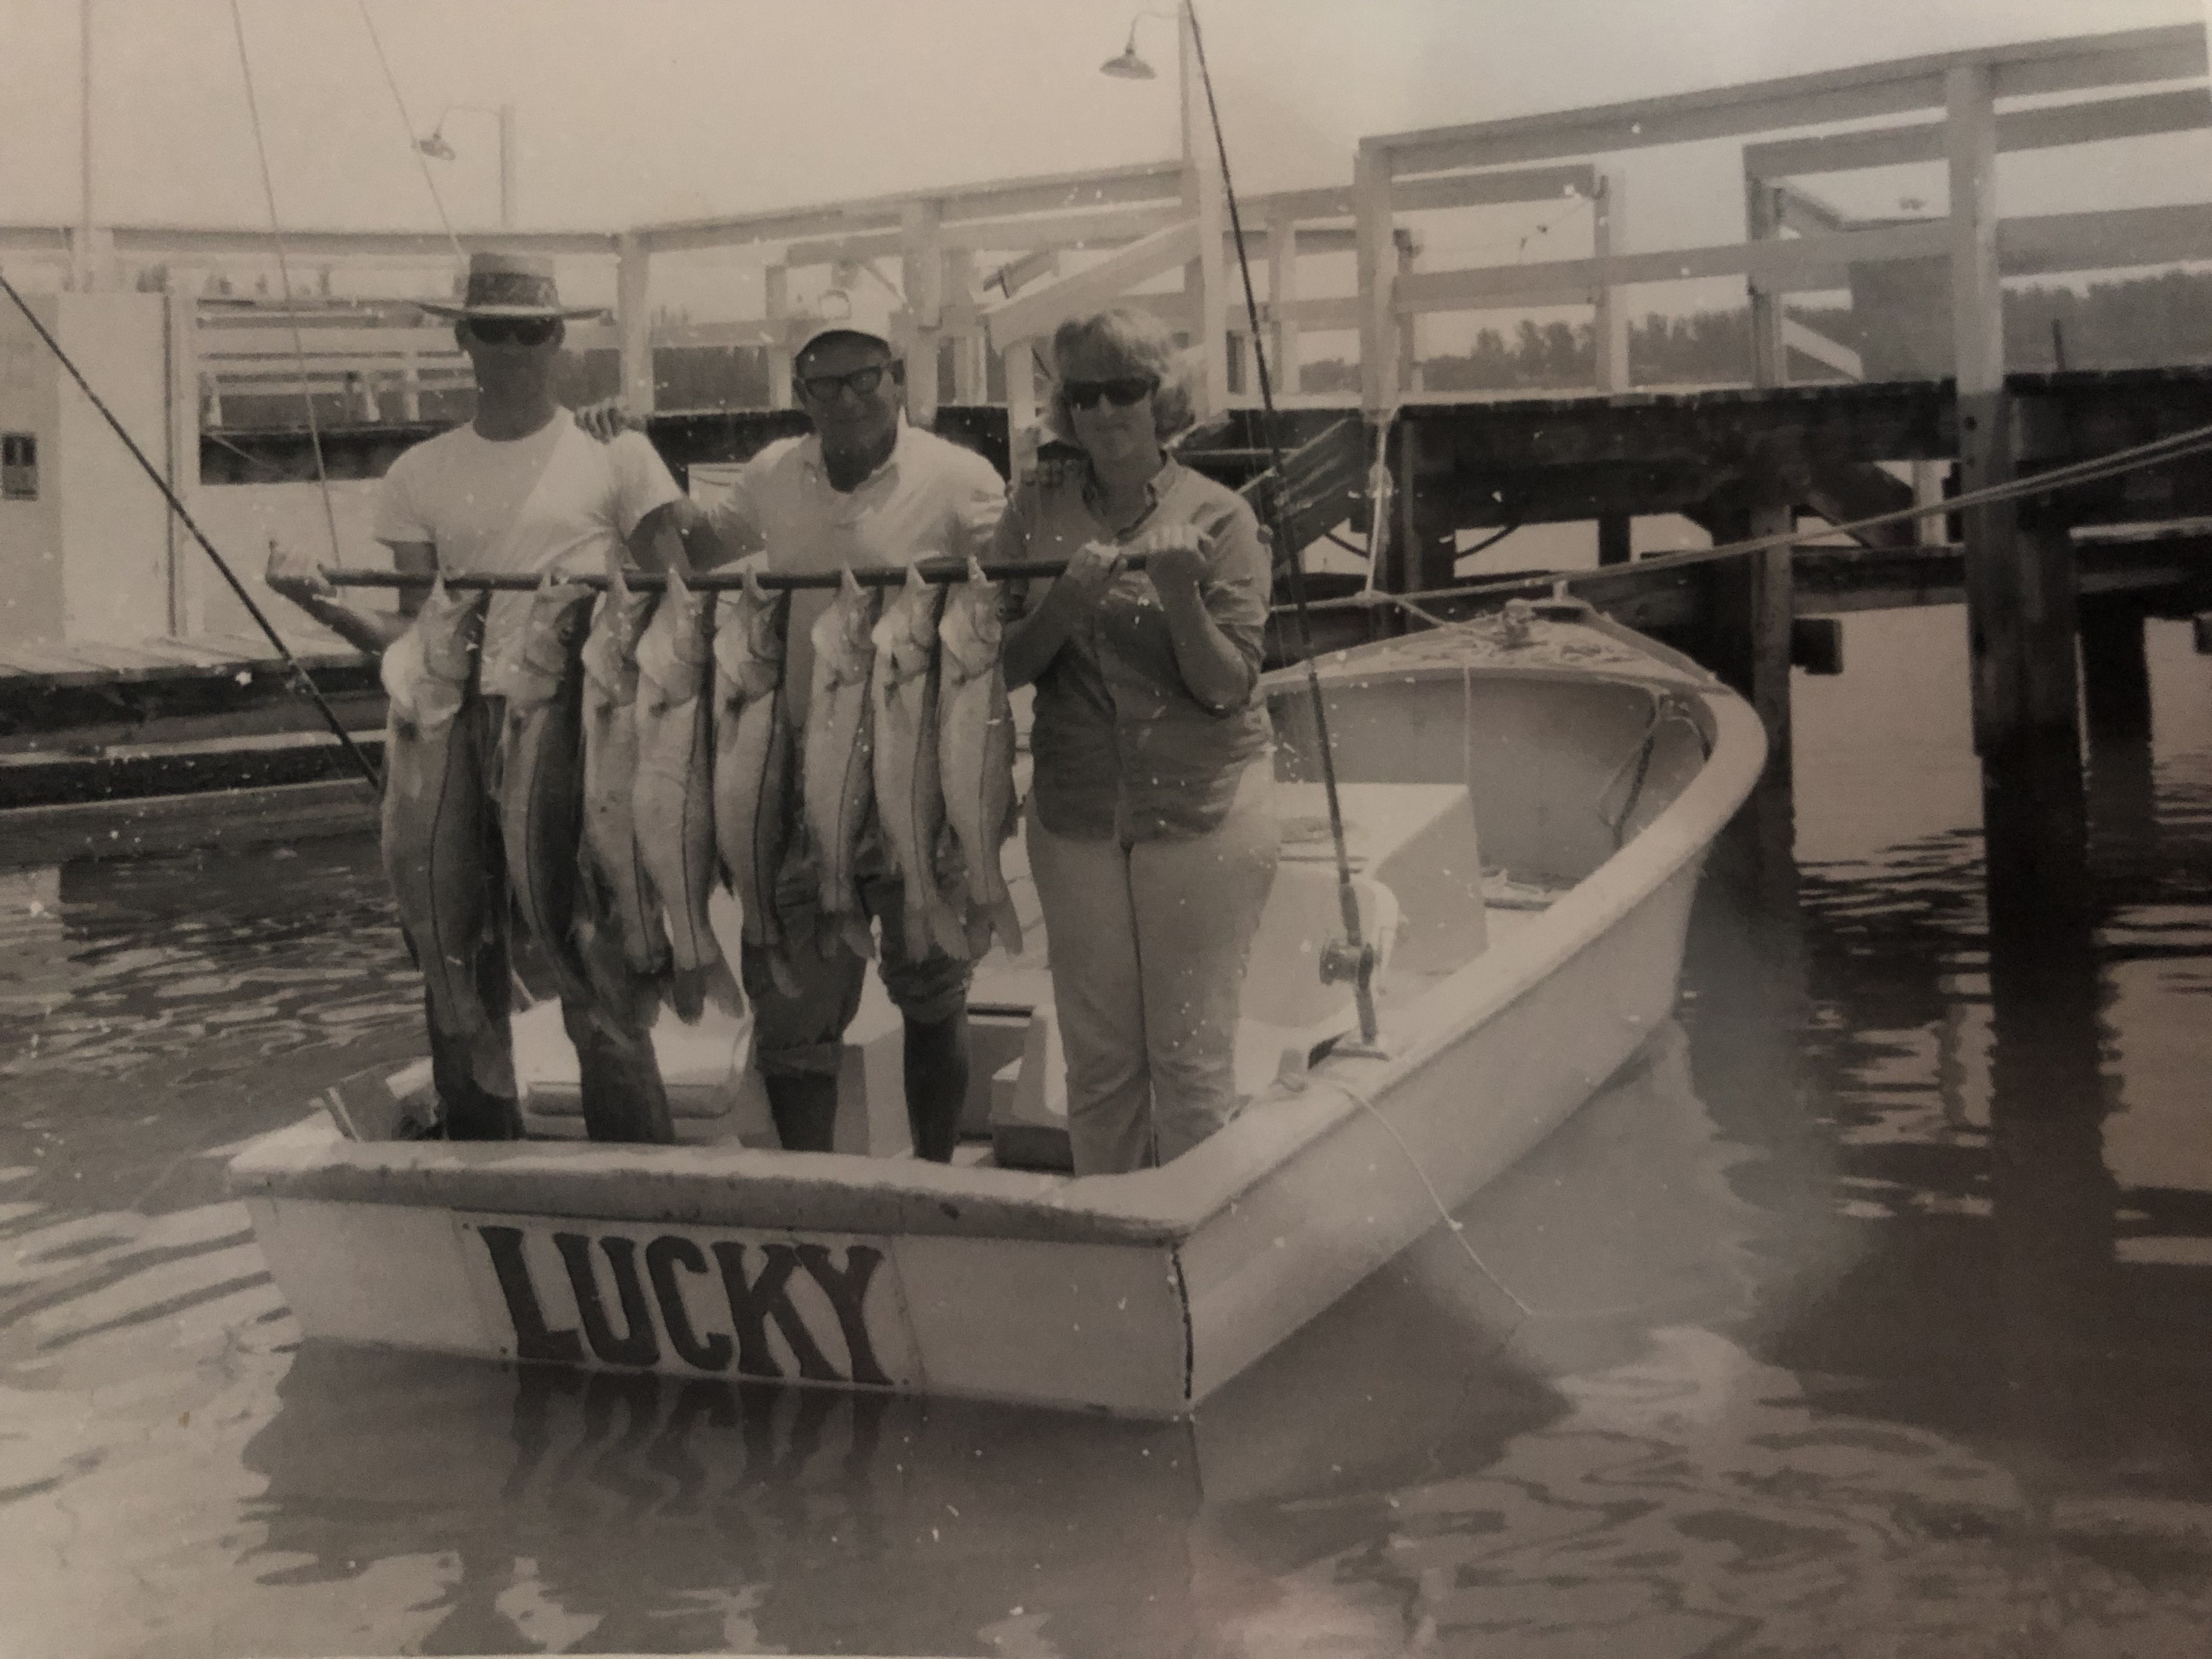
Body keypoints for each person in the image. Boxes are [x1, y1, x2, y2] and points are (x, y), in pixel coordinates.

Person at [267, 250, 698, 1140]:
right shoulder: (418, 473)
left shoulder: (618, 453)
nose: (515, 348)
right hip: (453, 730)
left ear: (559, 338)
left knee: (601, 978)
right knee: (457, 976)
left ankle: (644, 1187)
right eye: (495, 330)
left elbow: (678, 605)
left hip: (579, 731)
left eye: (534, 330)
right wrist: (319, 603)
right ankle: (479, 1182)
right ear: (463, 335)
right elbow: (410, 636)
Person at [576, 285, 1007, 1161]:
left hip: (915, 769)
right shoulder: (774, 472)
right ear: (802, 394)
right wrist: (632, 457)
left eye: (864, 378)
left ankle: (931, 1172)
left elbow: (1009, 594)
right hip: (793, 774)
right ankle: (812, 1189)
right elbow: (691, 549)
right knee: (793, 1016)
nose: (847, 398)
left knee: (933, 991)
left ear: (898, 379)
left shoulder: (961, 480)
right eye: (825, 383)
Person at [994, 307, 1280, 1177]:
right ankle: (1113, 1243)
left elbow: (1228, 686)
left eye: (1127, 390)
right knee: (1101, 1064)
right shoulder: (1033, 507)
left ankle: (1205, 1246)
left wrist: (1182, 597)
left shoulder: (1221, 516)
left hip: (1202, 807)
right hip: (1078, 811)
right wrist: (1064, 605)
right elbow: (1003, 663)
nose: (1106, 412)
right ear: (1065, 411)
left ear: (1162, 399)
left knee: (1190, 1066)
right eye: (1084, 395)